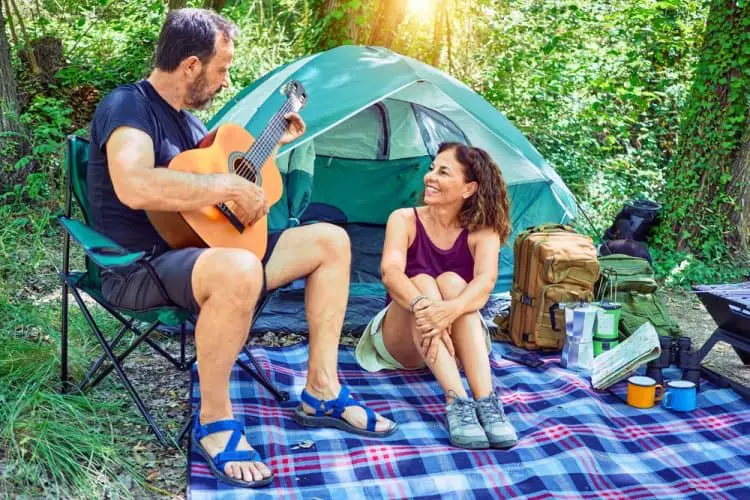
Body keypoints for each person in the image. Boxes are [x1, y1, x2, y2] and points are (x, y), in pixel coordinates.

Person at [87, 8, 395, 489]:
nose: (226, 81)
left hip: (199, 252)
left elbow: (220, 200)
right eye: (222, 69)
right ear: (191, 65)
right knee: (238, 268)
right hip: (138, 267)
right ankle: (214, 421)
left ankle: (321, 389)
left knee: (330, 240)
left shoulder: (189, 127)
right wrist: (226, 187)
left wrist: (268, 152)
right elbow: (134, 184)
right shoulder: (129, 106)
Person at [355, 142, 517, 450]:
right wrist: (424, 307)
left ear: (469, 188)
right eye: (431, 169)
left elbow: (485, 284)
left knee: (455, 283)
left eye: (443, 172)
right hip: (402, 338)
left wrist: (449, 311)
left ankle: (486, 401)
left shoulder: (484, 231)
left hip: (456, 338)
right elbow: (390, 274)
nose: (430, 177)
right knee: (422, 282)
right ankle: (457, 401)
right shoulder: (403, 219)